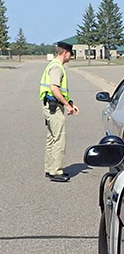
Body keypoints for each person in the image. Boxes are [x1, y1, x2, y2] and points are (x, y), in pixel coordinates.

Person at [40, 41, 79, 182]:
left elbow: (59, 91)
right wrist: (66, 105)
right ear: (65, 53)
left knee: (52, 138)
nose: (71, 57)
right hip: (54, 107)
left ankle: (50, 168)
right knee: (59, 139)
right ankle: (55, 171)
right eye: (70, 54)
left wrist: (70, 103)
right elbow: (54, 88)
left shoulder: (53, 65)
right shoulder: (57, 67)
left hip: (51, 105)